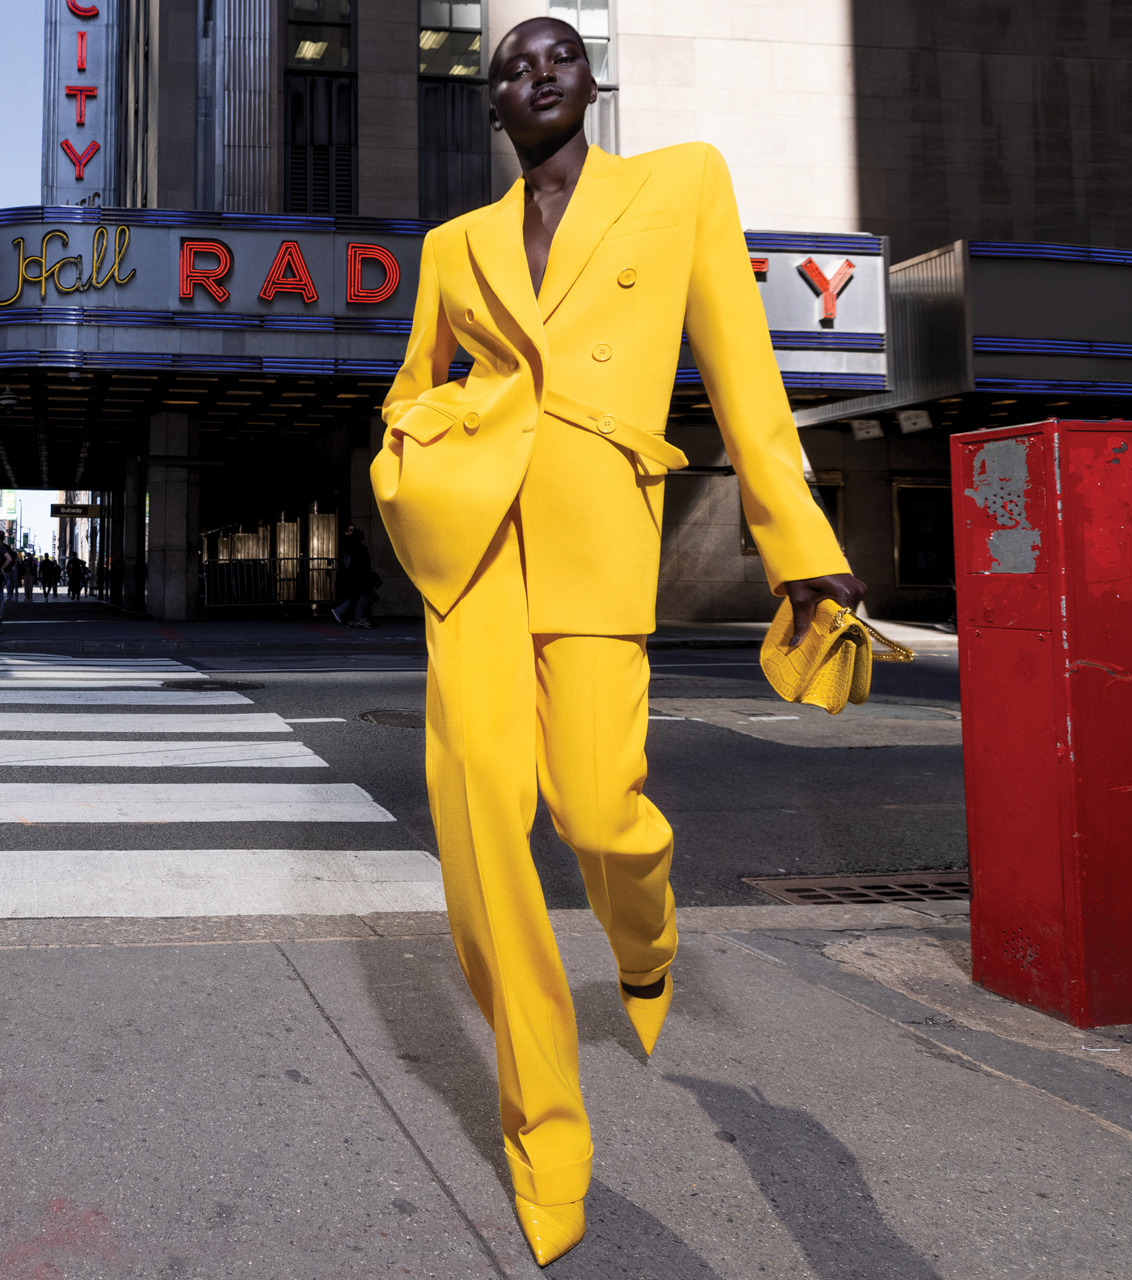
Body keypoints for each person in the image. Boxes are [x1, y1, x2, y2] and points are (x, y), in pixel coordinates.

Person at [370, 19, 864, 1267]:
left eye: (558, 56)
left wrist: (799, 541)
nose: (536, 71)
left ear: (591, 83)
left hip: (597, 543)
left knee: (600, 812)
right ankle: (546, 1139)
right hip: (475, 555)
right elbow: (406, 394)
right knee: (483, 829)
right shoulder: (453, 248)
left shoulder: (680, 184)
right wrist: (428, 443)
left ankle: (647, 941)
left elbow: (746, 374)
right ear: (490, 107)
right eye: (510, 65)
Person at [330, 524, 379, 628]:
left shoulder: (353, 546)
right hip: (357, 576)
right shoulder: (351, 546)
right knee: (363, 596)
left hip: (357, 576)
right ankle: (356, 617)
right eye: (349, 530)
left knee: (358, 597)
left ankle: (354, 617)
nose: (351, 532)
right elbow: (352, 564)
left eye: (352, 530)